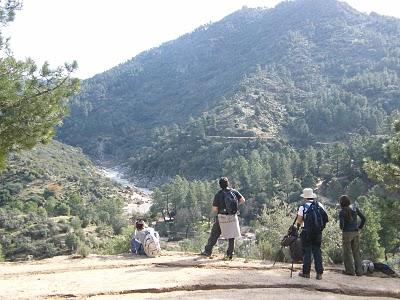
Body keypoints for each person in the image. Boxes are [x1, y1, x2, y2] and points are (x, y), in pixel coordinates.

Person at [200, 177, 245, 260]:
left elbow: (215, 209)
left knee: (214, 234)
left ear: (220, 185)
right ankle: (230, 254)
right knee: (231, 235)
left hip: (222, 217)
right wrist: (234, 207)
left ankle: (208, 251)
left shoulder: (218, 194)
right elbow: (243, 200)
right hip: (232, 216)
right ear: (228, 183)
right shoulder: (234, 192)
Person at [296, 188, 328, 280]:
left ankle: (306, 272)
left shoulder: (303, 207)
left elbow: (299, 221)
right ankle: (319, 273)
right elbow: (325, 218)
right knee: (317, 251)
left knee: (307, 252)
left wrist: (299, 228)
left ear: (305, 197)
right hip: (318, 232)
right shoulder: (319, 205)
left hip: (306, 232)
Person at [339, 195, 366, 276]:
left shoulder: (342, 211)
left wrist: (342, 228)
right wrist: (360, 227)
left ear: (341, 203)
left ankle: (350, 271)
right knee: (356, 252)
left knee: (347, 252)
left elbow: (341, 225)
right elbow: (364, 218)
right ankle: (359, 271)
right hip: (356, 232)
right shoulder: (354, 208)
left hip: (347, 233)